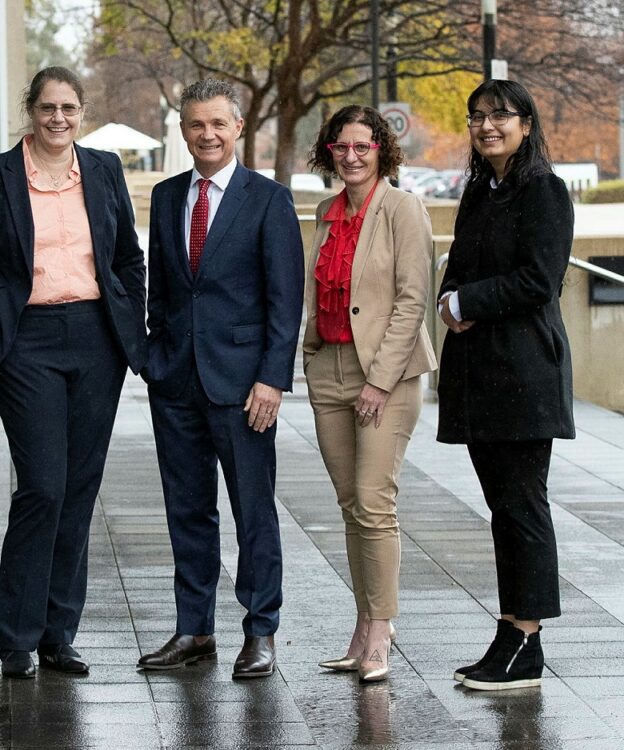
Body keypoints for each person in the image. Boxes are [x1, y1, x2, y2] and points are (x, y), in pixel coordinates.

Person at [0, 66, 146, 679]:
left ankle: (59, 635)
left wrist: (128, 325)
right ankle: (17, 636)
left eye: (68, 107)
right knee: (42, 483)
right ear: (30, 111)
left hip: (96, 338)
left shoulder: (104, 169)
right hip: (27, 340)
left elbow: (126, 258)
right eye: (46, 108)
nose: (57, 118)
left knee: (81, 486)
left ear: (81, 112)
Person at [137, 78, 304, 678]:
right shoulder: (164, 197)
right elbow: (161, 287)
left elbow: (286, 302)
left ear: (237, 129)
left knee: (252, 510)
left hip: (244, 387)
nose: (206, 135)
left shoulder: (268, 200)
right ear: (182, 131)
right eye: (194, 125)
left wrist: (272, 380)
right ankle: (194, 630)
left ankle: (261, 630)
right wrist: (153, 359)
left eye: (217, 124)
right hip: (176, 381)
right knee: (187, 510)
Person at [438, 79, 573, 691]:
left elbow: (540, 280)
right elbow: (461, 264)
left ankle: (528, 639)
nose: (487, 125)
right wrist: (448, 297)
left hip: (523, 373)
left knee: (522, 507)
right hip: (481, 372)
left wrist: (468, 298)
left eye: (500, 115)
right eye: (477, 117)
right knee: (502, 509)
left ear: (526, 123)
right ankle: (512, 630)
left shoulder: (543, 190)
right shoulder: (478, 191)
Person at [303, 105, 437, 683]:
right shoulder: (325, 212)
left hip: (386, 374)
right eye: (341, 146)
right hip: (328, 367)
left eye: (363, 146)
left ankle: (381, 633)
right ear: (328, 152)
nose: (351, 156)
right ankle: (362, 626)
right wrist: (309, 359)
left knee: (374, 503)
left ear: (382, 150)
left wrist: (380, 381)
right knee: (350, 506)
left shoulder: (403, 209)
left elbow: (413, 300)